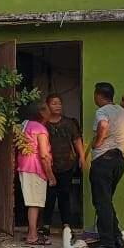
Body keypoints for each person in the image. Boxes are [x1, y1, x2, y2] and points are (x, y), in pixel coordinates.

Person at [89, 82, 124, 248]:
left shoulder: (101, 111)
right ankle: (116, 238)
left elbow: (104, 125)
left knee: (101, 202)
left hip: (103, 159)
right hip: (119, 160)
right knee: (106, 201)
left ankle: (107, 242)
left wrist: (97, 143)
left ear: (98, 95)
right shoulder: (123, 112)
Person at [42, 93, 85, 232]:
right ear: (47, 105)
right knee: (48, 195)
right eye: (54, 103)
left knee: (65, 194)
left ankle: (66, 224)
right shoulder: (44, 124)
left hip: (67, 163)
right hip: (48, 165)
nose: (58, 106)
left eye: (59, 103)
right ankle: (46, 224)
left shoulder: (69, 123)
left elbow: (77, 140)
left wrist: (82, 157)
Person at [17, 100, 54, 245]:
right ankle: (32, 236)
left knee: (32, 200)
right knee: (34, 202)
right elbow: (44, 155)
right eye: (48, 108)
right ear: (42, 112)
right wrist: (51, 176)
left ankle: (31, 232)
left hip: (24, 165)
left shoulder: (25, 125)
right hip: (35, 167)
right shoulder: (40, 129)